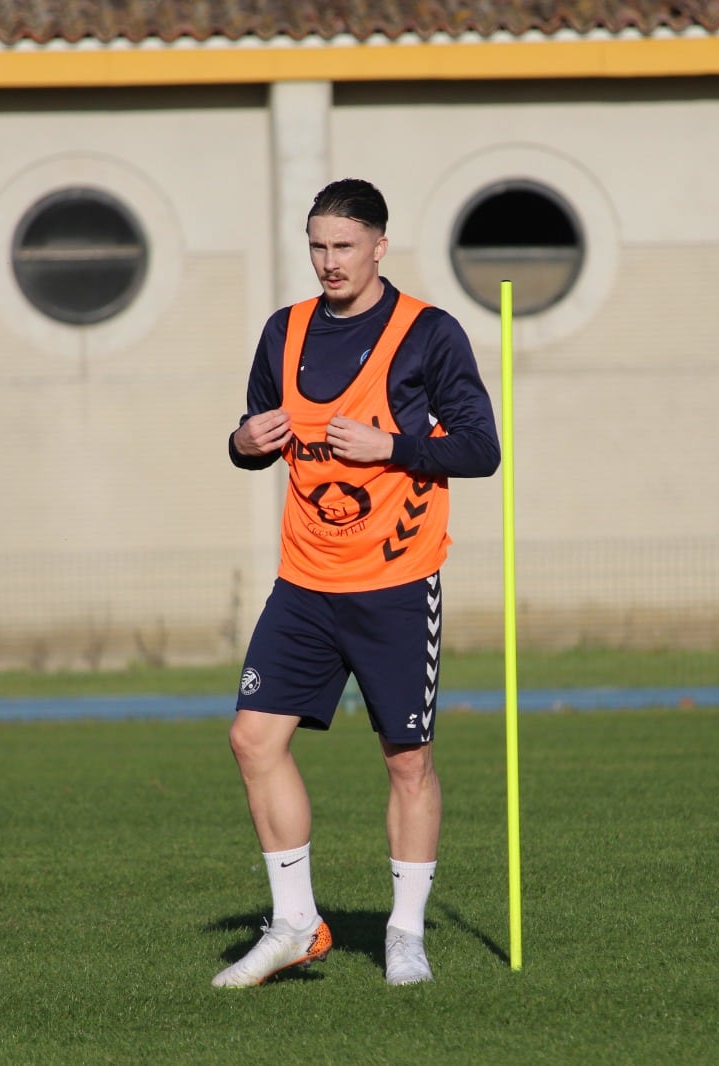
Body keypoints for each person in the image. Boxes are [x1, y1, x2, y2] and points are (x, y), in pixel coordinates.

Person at [213, 178, 500, 988]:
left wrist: (394, 449)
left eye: (343, 246)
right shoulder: (285, 331)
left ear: (379, 246)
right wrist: (242, 441)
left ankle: (405, 934)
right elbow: (253, 435)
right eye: (316, 246)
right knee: (252, 739)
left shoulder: (428, 335)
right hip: (304, 582)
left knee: (406, 760)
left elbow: (480, 449)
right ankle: (295, 923)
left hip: (396, 583)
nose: (328, 262)